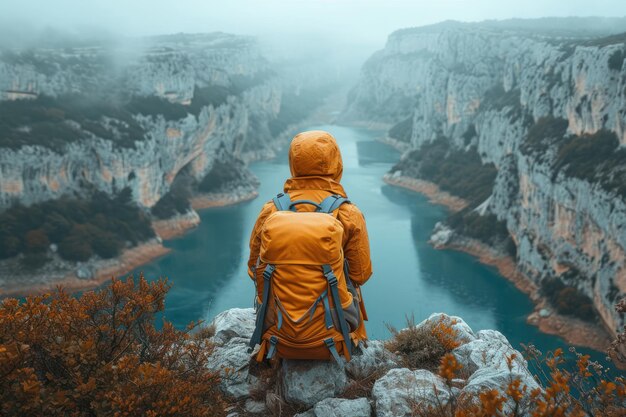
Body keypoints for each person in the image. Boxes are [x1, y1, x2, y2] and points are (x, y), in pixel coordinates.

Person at [247, 130, 372, 361]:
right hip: (335, 335)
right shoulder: (347, 213)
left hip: (277, 334)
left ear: (293, 163)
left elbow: (254, 267)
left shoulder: (271, 211)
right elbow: (361, 274)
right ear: (336, 162)